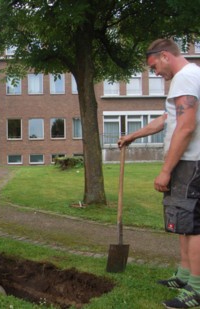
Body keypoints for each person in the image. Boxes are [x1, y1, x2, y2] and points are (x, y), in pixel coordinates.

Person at [118, 38, 200, 309]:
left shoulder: (185, 78)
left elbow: (185, 127)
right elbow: (168, 119)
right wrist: (133, 135)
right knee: (184, 223)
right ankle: (184, 276)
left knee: (194, 225)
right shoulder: (187, 78)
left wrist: (166, 171)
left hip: (191, 163)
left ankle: (196, 290)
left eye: (154, 66)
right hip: (186, 163)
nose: (155, 73)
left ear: (165, 56)